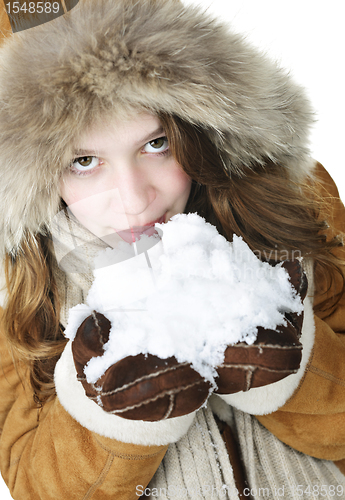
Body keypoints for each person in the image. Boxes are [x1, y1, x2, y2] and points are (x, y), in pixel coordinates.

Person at [0, 1, 344, 499]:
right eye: (85, 160)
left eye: (156, 143)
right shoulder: (19, 287)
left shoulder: (287, 210)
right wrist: (114, 420)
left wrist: (294, 374)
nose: (136, 199)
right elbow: (35, 483)